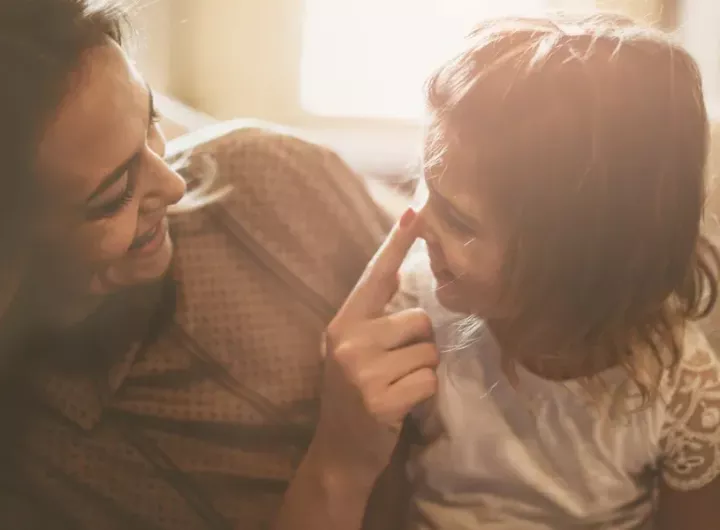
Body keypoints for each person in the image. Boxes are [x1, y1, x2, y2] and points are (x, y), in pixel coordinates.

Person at [0, 1, 439, 529]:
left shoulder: (258, 174)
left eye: (151, 123)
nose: (175, 184)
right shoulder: (37, 472)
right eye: (116, 193)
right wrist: (338, 468)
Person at [381, 12, 720, 530]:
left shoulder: (680, 384)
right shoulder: (413, 318)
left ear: (581, 263)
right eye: (427, 188)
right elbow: (373, 505)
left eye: (458, 218)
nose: (414, 224)